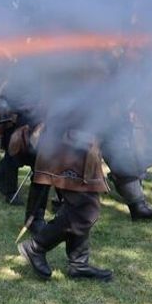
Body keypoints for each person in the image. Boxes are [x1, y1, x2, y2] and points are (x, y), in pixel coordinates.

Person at [16, 111, 114, 282]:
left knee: (83, 201)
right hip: (68, 142)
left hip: (79, 140)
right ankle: (36, 247)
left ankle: (79, 263)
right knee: (85, 210)